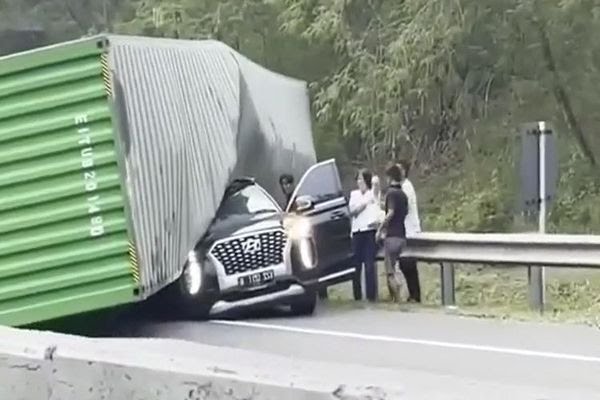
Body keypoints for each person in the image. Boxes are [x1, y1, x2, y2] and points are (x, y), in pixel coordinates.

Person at [376, 163, 408, 302]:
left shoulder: (391, 193)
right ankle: (400, 292)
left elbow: (390, 213)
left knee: (389, 271)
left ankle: (397, 298)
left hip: (392, 236)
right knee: (396, 268)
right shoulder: (403, 194)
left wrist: (380, 229)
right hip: (402, 236)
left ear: (390, 177)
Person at [348, 168, 379, 302]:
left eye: (361, 179)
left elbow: (376, 188)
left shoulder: (372, 193)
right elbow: (353, 211)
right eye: (358, 179)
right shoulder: (354, 194)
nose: (359, 182)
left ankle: (371, 296)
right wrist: (364, 204)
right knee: (356, 266)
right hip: (357, 232)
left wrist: (374, 183)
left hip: (369, 232)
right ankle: (357, 295)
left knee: (369, 266)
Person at [398, 160, 422, 303]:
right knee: (405, 264)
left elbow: (403, 208)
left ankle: (415, 295)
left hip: (410, 229)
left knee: (408, 264)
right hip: (405, 229)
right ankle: (413, 294)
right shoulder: (401, 187)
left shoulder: (406, 187)